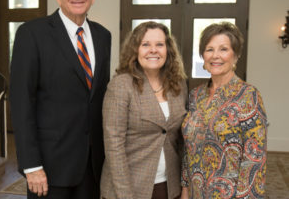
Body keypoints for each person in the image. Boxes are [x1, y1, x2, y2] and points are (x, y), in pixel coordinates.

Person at [9, 0, 111, 199]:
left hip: (92, 166)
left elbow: (97, 98)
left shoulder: (103, 36)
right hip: (48, 168)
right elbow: (22, 102)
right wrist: (31, 166)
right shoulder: (31, 34)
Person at [100, 21, 187, 199]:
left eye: (159, 45)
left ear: (168, 50)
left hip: (170, 187)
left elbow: (181, 140)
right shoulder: (121, 86)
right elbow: (113, 147)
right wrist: (125, 195)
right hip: (129, 188)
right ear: (135, 50)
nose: (153, 50)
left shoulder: (178, 85)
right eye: (145, 44)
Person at [181, 22, 267, 199]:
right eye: (209, 49)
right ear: (203, 56)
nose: (215, 56)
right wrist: (185, 190)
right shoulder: (195, 95)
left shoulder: (248, 96)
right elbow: (188, 150)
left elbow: (254, 161)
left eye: (223, 49)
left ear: (235, 56)